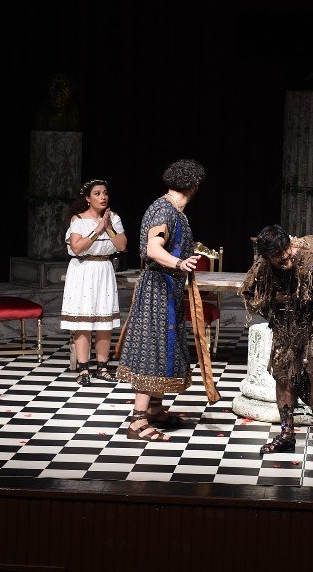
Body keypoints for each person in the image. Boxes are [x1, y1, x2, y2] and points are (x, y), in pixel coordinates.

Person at [241, 225, 313, 459]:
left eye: (286, 252)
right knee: (283, 376)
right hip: (286, 325)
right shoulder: (264, 265)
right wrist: (273, 303)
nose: (285, 258)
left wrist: (310, 295)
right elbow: (251, 292)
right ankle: (286, 433)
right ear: (267, 257)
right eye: (277, 257)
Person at [115, 159, 205, 442]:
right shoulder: (164, 210)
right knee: (153, 350)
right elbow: (153, 249)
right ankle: (138, 422)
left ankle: (154, 409)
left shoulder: (173, 210)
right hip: (157, 290)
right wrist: (179, 263)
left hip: (167, 289)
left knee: (164, 348)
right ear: (193, 185)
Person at [60, 179, 128, 386]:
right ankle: (83, 369)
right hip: (83, 269)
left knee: (104, 321)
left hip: (104, 269)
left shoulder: (113, 218)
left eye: (105, 193)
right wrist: (98, 229)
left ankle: (102, 367)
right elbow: (77, 247)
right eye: (97, 193)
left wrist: (109, 228)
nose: (103, 197)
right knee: (83, 322)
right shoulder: (78, 219)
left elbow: (122, 245)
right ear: (88, 198)